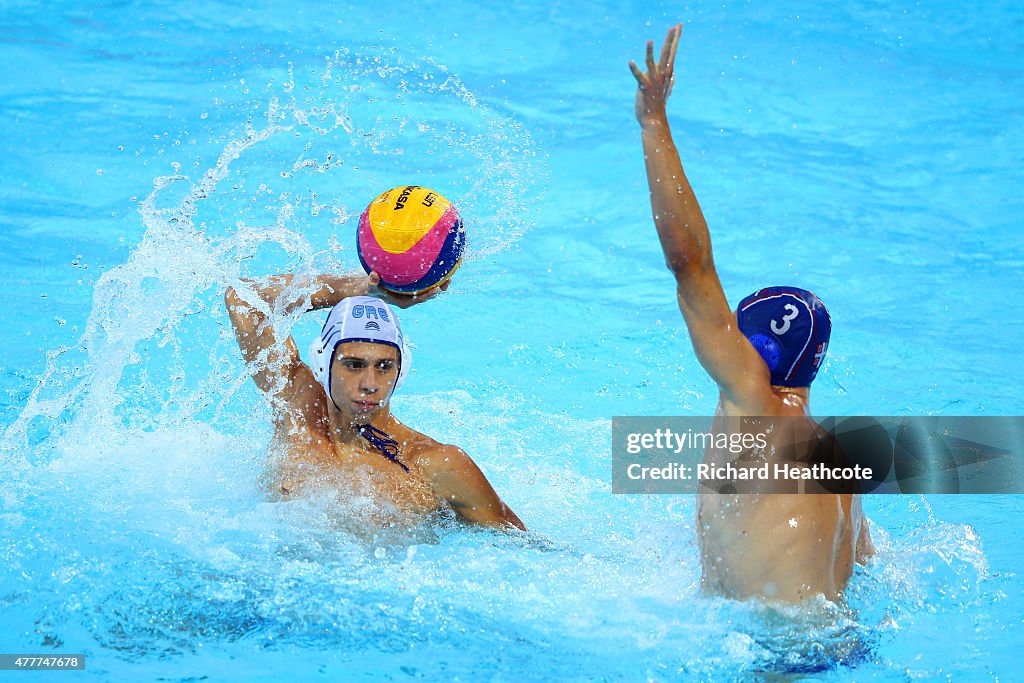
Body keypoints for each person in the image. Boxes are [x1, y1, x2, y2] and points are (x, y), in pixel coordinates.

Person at [630, 25, 873, 602]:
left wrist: (654, 124)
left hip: (770, 657)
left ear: (753, 350)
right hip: (835, 650)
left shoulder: (751, 404)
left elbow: (689, 264)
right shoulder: (836, 462)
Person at [224, 270, 525, 531]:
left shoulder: (435, 465)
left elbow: (525, 551)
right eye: (353, 365)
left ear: (401, 370)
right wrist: (359, 290)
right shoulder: (295, 402)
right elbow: (244, 297)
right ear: (322, 364)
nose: (370, 385)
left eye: (384, 367)